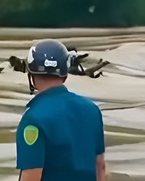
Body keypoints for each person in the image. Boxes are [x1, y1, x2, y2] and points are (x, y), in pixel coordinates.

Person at [16, 39, 107, 181]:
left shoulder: (33, 119)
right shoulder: (92, 110)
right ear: (65, 74)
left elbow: (31, 175)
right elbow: (100, 166)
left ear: (31, 75)